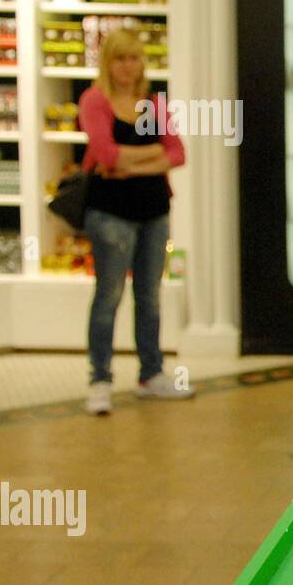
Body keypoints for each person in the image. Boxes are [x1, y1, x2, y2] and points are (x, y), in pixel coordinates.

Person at [78, 30, 192, 415]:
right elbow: (106, 155)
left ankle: (151, 373)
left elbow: (177, 153)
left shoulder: (152, 103)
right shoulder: (95, 101)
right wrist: (149, 154)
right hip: (110, 214)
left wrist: (131, 164)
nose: (129, 67)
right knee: (108, 296)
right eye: (121, 59)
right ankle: (100, 379)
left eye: (135, 58)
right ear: (108, 62)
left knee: (150, 296)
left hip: (153, 211)